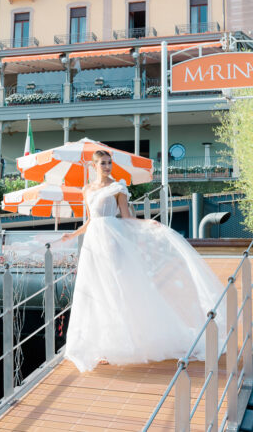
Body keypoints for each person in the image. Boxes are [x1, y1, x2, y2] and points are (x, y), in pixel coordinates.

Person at [60, 149, 227, 372]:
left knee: (115, 290)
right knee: (95, 292)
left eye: (109, 163)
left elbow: (127, 217)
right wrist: (71, 235)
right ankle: (101, 346)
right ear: (94, 166)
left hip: (111, 243)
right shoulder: (87, 189)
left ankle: (119, 344)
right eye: (103, 163)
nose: (107, 166)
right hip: (92, 245)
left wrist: (148, 224)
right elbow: (90, 220)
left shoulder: (117, 187)